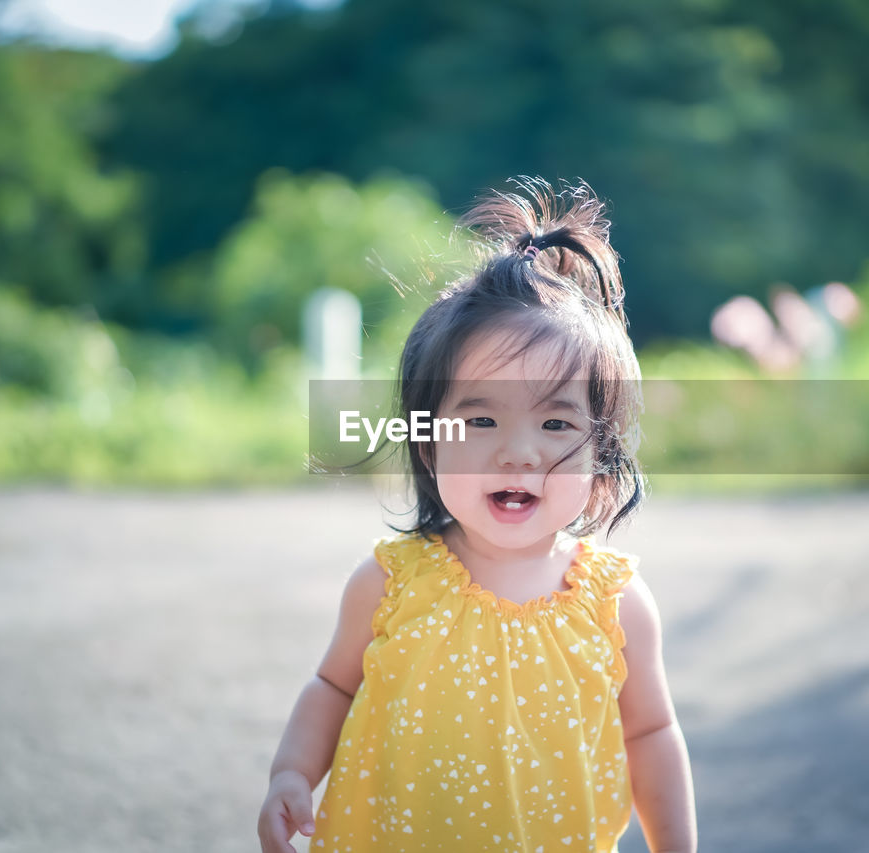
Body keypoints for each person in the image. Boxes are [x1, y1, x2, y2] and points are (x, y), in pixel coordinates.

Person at [258, 178, 697, 852]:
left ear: (601, 450)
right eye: (482, 417)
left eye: (556, 422)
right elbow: (332, 686)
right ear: (429, 441)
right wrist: (291, 771)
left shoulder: (617, 605)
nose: (518, 453)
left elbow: (651, 733)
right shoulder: (390, 583)